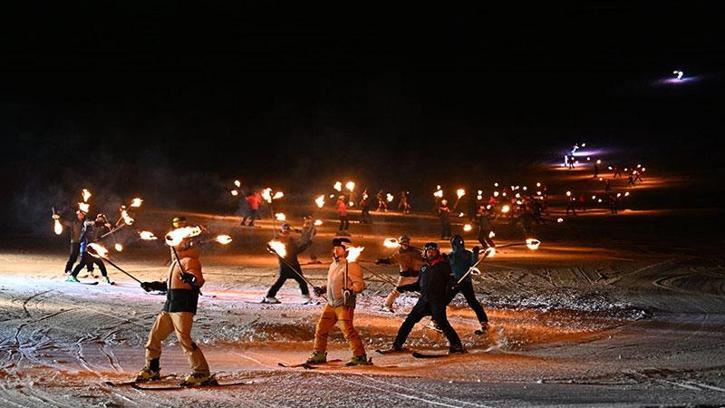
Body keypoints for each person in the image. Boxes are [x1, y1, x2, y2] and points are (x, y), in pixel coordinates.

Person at [136, 237, 212, 386]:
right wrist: (154, 286)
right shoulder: (176, 262)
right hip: (170, 306)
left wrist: (191, 279)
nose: (171, 248)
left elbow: (198, 281)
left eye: (174, 246)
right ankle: (152, 368)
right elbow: (169, 285)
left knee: (184, 339)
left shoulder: (190, 260)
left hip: (183, 306)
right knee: (155, 336)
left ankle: (201, 372)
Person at [387, 242, 464, 354]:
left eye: (433, 251)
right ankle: (397, 345)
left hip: (437, 300)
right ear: (425, 253)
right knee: (409, 321)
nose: (430, 253)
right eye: (428, 251)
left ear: (437, 252)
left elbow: (451, 282)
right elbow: (419, 285)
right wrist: (402, 288)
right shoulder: (424, 268)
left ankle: (456, 346)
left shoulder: (443, 266)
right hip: (424, 301)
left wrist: (455, 286)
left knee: (442, 323)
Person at [306, 237, 370, 366]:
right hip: (331, 303)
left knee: (348, 330)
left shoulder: (351, 265)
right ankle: (319, 353)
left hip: (344, 304)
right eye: (334, 248)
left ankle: (359, 356)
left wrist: (351, 290)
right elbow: (332, 282)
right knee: (321, 328)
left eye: (338, 248)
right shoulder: (334, 264)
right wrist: (323, 289)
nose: (335, 251)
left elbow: (359, 284)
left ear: (346, 250)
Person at [447, 235, 489, 334]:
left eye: (459, 243)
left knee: (472, 302)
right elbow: (448, 268)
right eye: (455, 244)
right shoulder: (451, 255)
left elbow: (473, 263)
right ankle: (435, 319)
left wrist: (475, 253)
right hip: (455, 282)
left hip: (465, 281)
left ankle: (484, 322)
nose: (458, 246)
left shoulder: (467, 254)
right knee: (444, 300)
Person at [263, 223, 312, 303]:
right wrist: (270, 246)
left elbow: (296, 250)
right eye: (284, 229)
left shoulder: (291, 239)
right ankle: (270, 296)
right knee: (281, 281)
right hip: (285, 264)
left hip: (293, 263)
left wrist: (306, 245)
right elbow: (272, 248)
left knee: (301, 280)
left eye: (287, 229)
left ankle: (305, 296)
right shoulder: (277, 238)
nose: (286, 231)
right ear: (281, 229)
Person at [375, 235, 425, 313]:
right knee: (397, 291)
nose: (405, 244)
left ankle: (429, 307)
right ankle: (387, 305)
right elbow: (391, 260)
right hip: (405, 277)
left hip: (416, 276)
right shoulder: (398, 254)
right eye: (403, 243)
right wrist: (381, 261)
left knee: (425, 291)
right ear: (400, 244)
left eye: (406, 242)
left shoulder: (416, 253)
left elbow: (425, 259)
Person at [66, 213, 113, 284]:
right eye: (99, 219)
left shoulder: (100, 228)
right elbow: (88, 223)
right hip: (86, 248)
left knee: (100, 263)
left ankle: (105, 277)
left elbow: (98, 236)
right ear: (97, 219)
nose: (100, 220)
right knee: (82, 264)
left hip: (93, 249)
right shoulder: (90, 224)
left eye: (102, 219)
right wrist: (103, 224)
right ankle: (72, 276)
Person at [59, 209, 94, 276]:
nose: (80, 216)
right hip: (75, 241)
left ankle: (90, 270)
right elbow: (64, 222)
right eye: (79, 215)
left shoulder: (86, 223)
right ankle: (68, 270)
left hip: (85, 242)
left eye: (82, 215)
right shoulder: (74, 222)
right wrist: (58, 218)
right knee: (73, 256)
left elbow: (95, 223)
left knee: (88, 256)